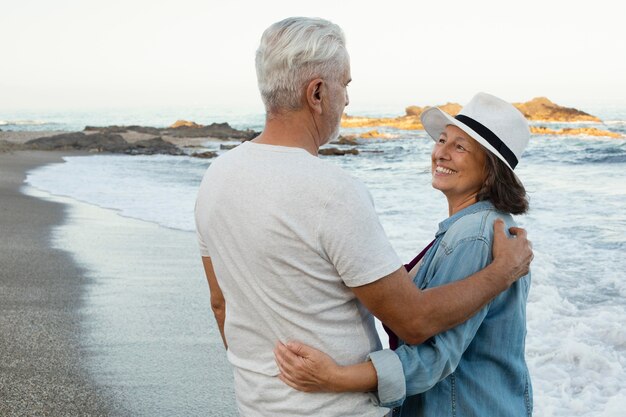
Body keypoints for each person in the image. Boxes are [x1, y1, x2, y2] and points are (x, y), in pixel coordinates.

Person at [194, 16, 532, 417]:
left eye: (459, 146)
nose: (348, 100)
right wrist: (502, 272)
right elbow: (414, 321)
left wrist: (265, 381)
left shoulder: (215, 179)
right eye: (346, 85)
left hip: (257, 405)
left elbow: (221, 305)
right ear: (317, 93)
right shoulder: (332, 192)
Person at [274, 92, 534, 416]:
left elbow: (433, 356)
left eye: (459, 147)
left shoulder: (477, 236)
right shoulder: (470, 228)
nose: (441, 153)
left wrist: (336, 378)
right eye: (442, 140)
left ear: (491, 169)